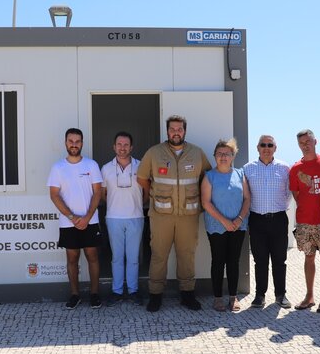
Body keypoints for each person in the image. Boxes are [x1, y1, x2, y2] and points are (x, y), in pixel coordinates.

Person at [137, 115, 211, 312]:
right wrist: (151, 197)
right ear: (167, 131)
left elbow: (207, 178)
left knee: (187, 255)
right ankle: (155, 296)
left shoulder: (197, 153)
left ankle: (187, 295)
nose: (176, 133)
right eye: (172, 129)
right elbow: (142, 178)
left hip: (188, 215)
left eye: (179, 129)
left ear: (184, 131)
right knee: (158, 255)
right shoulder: (154, 153)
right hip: (161, 215)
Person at [48, 128, 104, 310]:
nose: (74, 144)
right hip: (68, 222)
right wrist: (72, 217)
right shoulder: (58, 167)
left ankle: (94, 294)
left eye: (77, 141)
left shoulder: (91, 165)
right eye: (71, 141)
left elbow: (98, 193)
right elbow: (54, 195)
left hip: (90, 221)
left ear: (82, 143)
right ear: (65, 143)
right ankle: (75, 295)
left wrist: (87, 217)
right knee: (72, 258)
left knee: (92, 256)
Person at [289, 129, 320, 312]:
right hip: (304, 222)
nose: (305, 145)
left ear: (315, 142)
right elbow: (297, 195)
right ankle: (309, 296)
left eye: (308, 141)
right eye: (301, 143)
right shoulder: (295, 168)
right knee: (309, 258)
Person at [243, 135, 292, 309]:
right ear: (257, 148)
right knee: (260, 260)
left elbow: (289, 193)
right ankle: (259, 295)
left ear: (275, 148)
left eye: (270, 145)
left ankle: (281, 294)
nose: (266, 148)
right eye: (263, 145)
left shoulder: (284, 168)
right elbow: (245, 194)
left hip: (279, 219)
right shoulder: (247, 169)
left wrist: (278, 208)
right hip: (257, 220)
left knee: (280, 259)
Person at [201, 138, 250, 312]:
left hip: (238, 225)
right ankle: (217, 298)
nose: (223, 157)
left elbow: (247, 199)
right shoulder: (209, 176)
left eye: (227, 154)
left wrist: (239, 219)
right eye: (220, 154)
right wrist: (225, 221)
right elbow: (206, 202)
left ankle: (233, 297)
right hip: (216, 226)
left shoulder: (240, 175)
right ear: (215, 156)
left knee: (233, 261)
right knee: (218, 261)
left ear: (233, 156)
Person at [101, 132, 147, 307]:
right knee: (117, 257)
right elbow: (103, 194)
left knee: (133, 257)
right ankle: (117, 291)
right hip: (114, 217)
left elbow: (147, 192)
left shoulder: (141, 166)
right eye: (119, 144)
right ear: (114, 147)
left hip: (136, 216)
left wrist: (138, 204)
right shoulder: (106, 169)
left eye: (126, 145)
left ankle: (133, 291)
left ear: (131, 147)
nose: (122, 148)